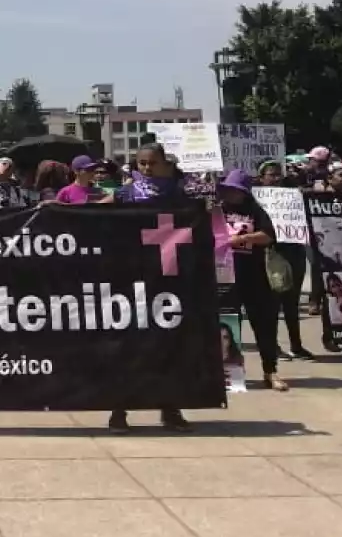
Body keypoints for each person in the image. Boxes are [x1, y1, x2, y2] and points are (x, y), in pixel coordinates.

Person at [109, 145, 196, 432]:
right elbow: (95, 209)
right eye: (141, 163)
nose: (146, 168)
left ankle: (170, 409)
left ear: (164, 164)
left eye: (152, 163)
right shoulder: (127, 194)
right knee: (129, 347)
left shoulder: (180, 195)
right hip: (134, 279)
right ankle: (118, 411)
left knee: (168, 347)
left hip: (169, 281)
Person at [213, 169, 288, 391]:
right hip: (225, 277)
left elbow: (268, 236)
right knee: (226, 326)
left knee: (264, 325)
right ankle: (229, 374)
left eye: (235, 190)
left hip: (256, 276)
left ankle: (270, 371)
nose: (231, 194)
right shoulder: (216, 212)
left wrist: (241, 239)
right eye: (227, 189)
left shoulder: (256, 211)